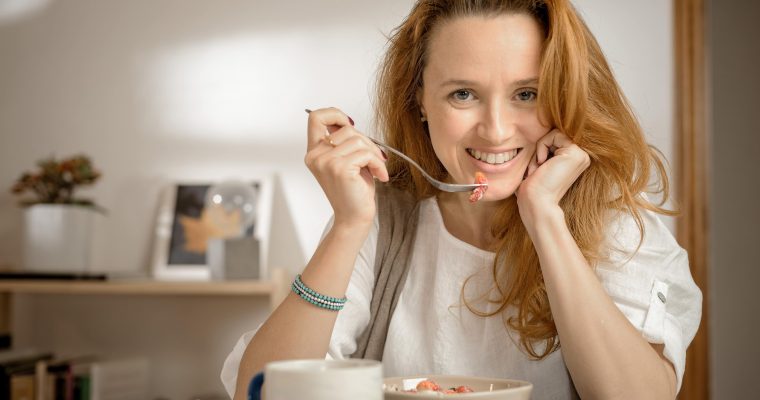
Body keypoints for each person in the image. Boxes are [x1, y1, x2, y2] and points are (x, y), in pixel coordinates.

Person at [221, 0, 702, 399]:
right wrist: (348, 225)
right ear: (421, 103)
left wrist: (546, 220)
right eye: (464, 94)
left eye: (527, 93)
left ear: (566, 96)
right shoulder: (379, 220)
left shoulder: (616, 225)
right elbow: (259, 392)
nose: (495, 130)